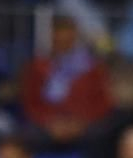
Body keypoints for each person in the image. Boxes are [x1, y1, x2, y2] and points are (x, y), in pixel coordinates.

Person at [20, 16, 113, 149]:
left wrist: (82, 123)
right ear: (52, 38)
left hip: (84, 125)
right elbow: (30, 103)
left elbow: (104, 102)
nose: (63, 43)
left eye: (68, 39)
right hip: (48, 126)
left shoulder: (92, 67)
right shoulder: (37, 67)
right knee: (27, 136)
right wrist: (50, 123)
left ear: (75, 38)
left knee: (103, 135)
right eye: (59, 39)